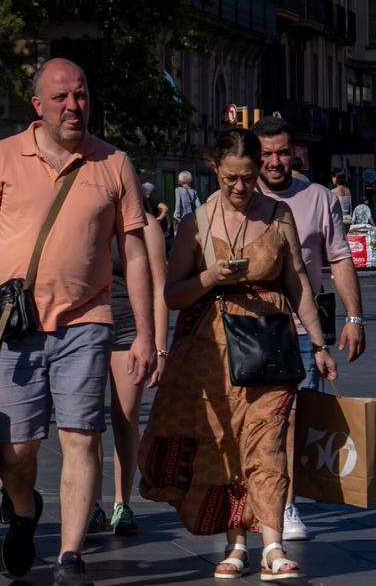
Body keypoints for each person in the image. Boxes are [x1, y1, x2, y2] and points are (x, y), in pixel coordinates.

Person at [0, 58, 156, 585]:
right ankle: (23, 510)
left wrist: (149, 335)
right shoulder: (1, 158)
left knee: (82, 437)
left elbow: (134, 255)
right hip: (12, 326)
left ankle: (70, 556)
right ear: (38, 106)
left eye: (81, 95)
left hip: (87, 323)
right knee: (10, 448)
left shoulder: (113, 163)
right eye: (62, 98)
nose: (74, 106)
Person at [139, 128, 338, 581]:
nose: (240, 187)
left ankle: (273, 544)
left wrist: (320, 344)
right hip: (212, 356)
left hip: (269, 346)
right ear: (215, 170)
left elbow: (298, 284)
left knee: (268, 444)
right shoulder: (198, 223)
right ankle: (235, 544)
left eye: (248, 178)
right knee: (225, 447)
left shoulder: (279, 215)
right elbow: (172, 295)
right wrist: (210, 278)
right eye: (231, 177)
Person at [252, 116, 366, 541]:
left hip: (304, 327)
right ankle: (254, 500)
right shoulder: (240, 193)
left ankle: (287, 505)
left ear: (294, 150)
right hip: (250, 325)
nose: (275, 162)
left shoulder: (318, 197)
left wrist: (354, 318)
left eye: (282, 152)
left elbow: (339, 258)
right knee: (255, 420)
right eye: (266, 154)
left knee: (295, 420)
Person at [87, 201, 169, 537]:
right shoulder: (87, 215)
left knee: (126, 416)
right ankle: (91, 502)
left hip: (128, 329)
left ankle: (122, 502)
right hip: (86, 326)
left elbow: (160, 288)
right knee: (85, 420)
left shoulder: (146, 225)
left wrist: (159, 346)